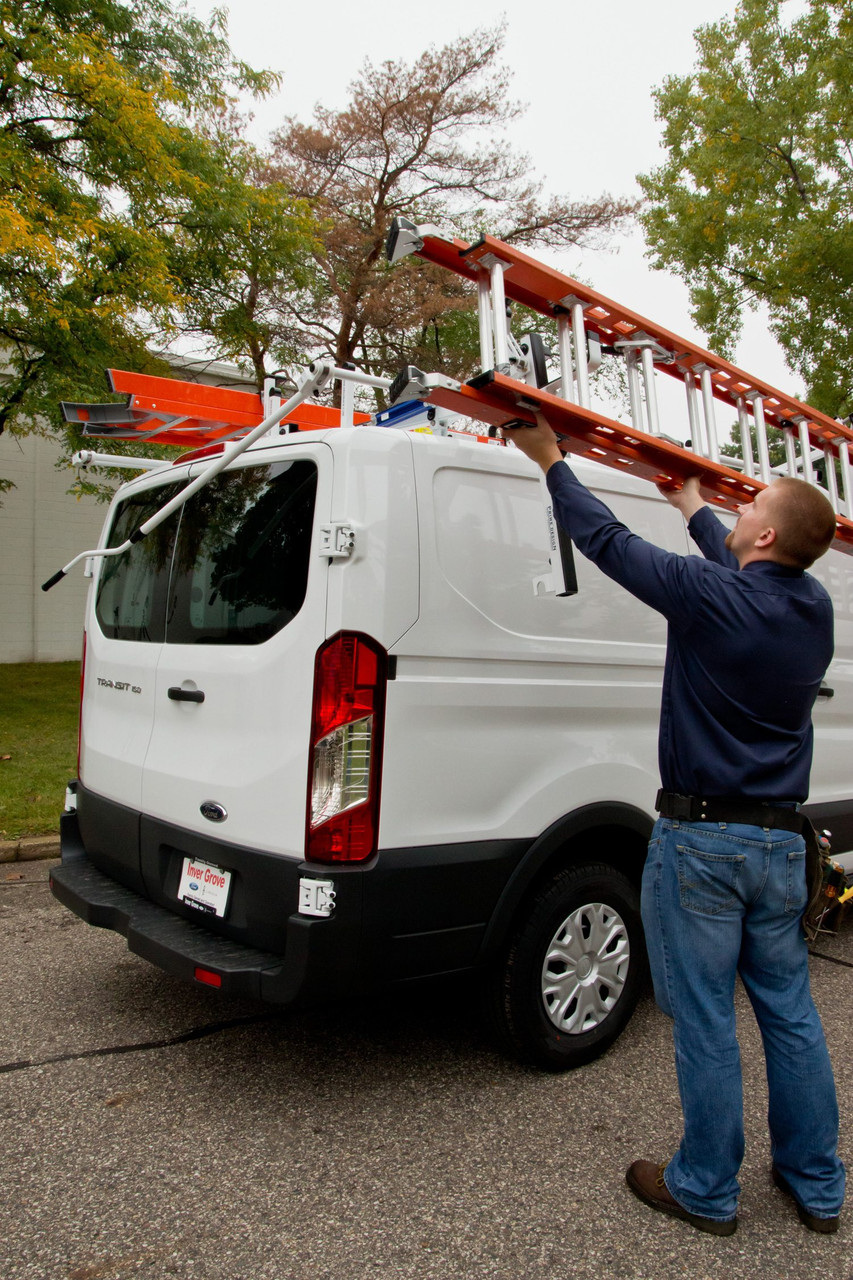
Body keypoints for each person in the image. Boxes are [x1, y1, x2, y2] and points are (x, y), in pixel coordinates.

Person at [503, 415, 845, 1237]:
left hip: (702, 847)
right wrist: (692, 504)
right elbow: (732, 572)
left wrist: (550, 460)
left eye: (744, 506)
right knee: (789, 1013)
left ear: (761, 532)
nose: (733, 513)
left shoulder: (712, 597)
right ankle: (817, 1184)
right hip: (776, 845)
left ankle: (704, 1187)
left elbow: (608, 541)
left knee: (702, 1017)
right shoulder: (812, 608)